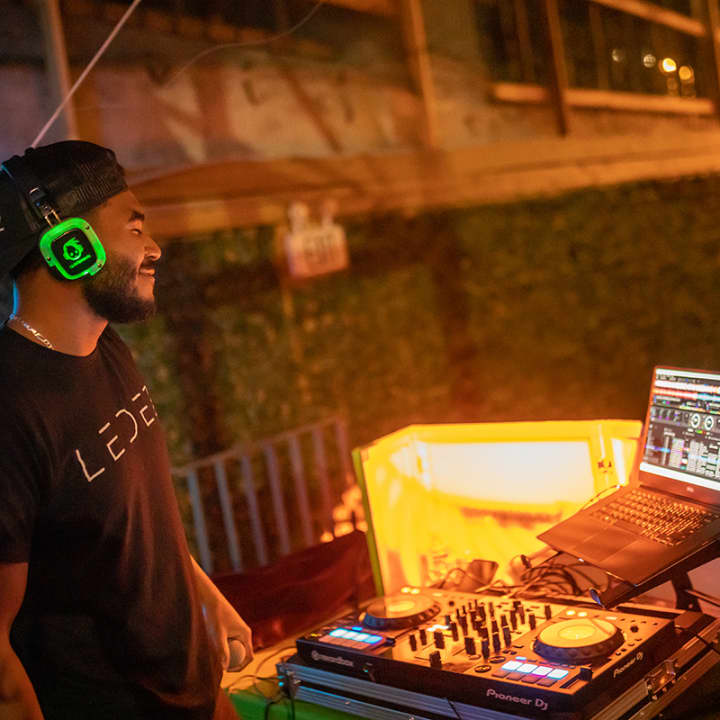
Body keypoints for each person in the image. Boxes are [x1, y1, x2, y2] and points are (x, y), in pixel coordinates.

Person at [0, 141, 252, 720]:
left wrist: (207, 601)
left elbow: (136, 520)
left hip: (195, 688)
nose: (154, 247)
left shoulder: (106, 347)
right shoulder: (11, 411)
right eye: (135, 229)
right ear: (70, 247)